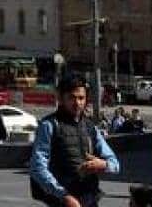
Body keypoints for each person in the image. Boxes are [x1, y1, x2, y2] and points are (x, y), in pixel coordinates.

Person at [30, 73, 121, 207]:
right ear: (61, 99)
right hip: (62, 201)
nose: (77, 103)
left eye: (81, 98)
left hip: (89, 199)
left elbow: (115, 164)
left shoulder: (90, 127)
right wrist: (63, 195)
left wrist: (103, 165)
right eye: (72, 98)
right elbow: (37, 167)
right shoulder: (49, 125)